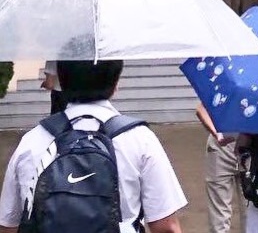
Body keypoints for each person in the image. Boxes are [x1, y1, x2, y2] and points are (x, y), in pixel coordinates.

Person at [0, 59, 187, 233]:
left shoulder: (33, 141)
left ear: (61, 81)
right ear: (116, 83)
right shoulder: (140, 139)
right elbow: (166, 227)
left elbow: (8, 225)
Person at [196, 103, 246, 233]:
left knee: (251, 212)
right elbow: (201, 109)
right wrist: (216, 133)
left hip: (250, 149)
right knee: (219, 219)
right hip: (220, 148)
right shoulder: (223, 89)